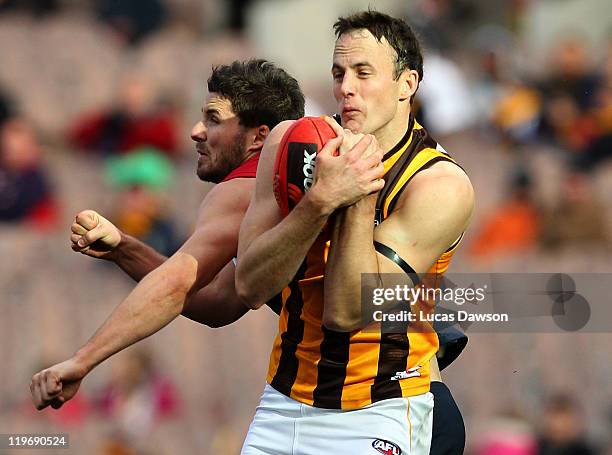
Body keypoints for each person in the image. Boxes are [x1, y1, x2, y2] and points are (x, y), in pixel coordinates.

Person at [235, 11, 474, 454]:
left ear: (408, 84)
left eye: (364, 73)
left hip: (379, 405)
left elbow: (348, 311)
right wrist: (319, 202)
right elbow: (249, 285)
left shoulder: (440, 185)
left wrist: (357, 195)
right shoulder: (289, 144)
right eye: (339, 73)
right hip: (282, 402)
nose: (346, 87)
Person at [29, 59, 305, 409]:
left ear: (259, 137)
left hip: (357, 397)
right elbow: (219, 301)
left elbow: (178, 283)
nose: (195, 130)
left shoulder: (240, 188)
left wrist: (83, 360)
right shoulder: (281, 184)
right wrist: (123, 248)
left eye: (213, 119)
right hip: (316, 392)